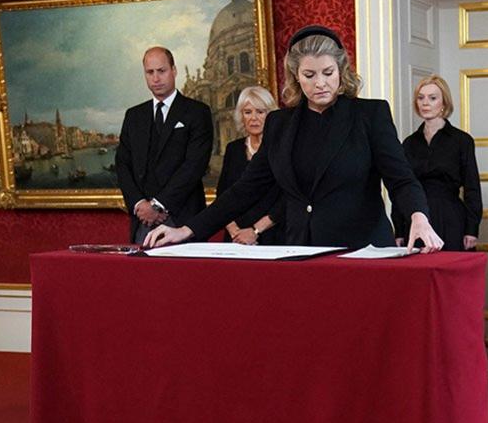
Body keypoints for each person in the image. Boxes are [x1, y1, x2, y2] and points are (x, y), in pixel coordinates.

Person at [145, 25, 442, 252]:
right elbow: (245, 190)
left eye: (327, 72)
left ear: (341, 71)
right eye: (309, 75)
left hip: (361, 249)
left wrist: (419, 215)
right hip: (301, 251)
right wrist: (187, 229)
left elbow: (401, 179)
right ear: (296, 77)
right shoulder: (279, 124)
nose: (320, 83)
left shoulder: (370, 115)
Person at [115, 46, 213, 244]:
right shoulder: (134, 116)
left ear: (174, 70)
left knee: (185, 276)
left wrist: (158, 206)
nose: (156, 78)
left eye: (161, 71)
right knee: (143, 275)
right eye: (150, 72)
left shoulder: (197, 112)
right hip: (142, 221)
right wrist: (140, 205)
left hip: (184, 219)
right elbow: (123, 164)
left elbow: (194, 166)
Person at [392, 76, 482, 251]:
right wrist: (399, 231)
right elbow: (400, 188)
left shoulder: (462, 141)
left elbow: (472, 189)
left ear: (444, 103)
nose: (425, 103)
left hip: (451, 218)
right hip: (416, 219)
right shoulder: (409, 143)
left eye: (432, 98)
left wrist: (472, 230)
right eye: (421, 97)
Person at [216, 86, 282, 245]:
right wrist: (234, 231)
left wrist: (255, 230)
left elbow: (287, 199)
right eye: (247, 112)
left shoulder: (281, 149)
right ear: (241, 116)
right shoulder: (233, 149)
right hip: (235, 239)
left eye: (260, 112)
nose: (253, 118)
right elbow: (223, 194)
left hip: (273, 236)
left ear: (271, 115)